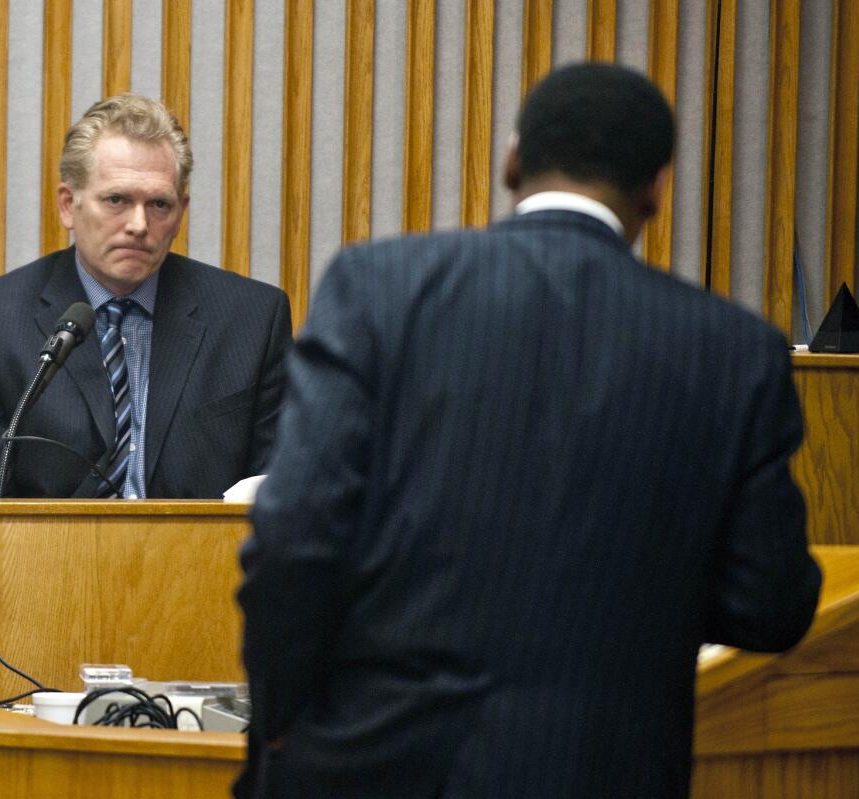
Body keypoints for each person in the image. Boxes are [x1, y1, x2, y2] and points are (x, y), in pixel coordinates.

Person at [236, 62, 821, 798]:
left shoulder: (379, 288)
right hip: (600, 767)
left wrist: (280, 717)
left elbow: (294, 533)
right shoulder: (735, 351)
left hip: (369, 759)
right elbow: (772, 601)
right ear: (656, 190)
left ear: (513, 159)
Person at [0, 95, 292, 499]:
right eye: (117, 200)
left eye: (159, 204)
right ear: (69, 206)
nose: (139, 225)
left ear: (181, 212)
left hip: (201, 560)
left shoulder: (251, 320)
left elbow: (282, 494)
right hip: (49, 561)